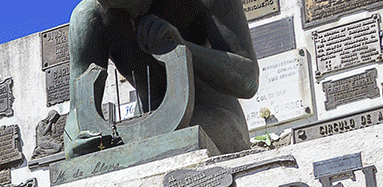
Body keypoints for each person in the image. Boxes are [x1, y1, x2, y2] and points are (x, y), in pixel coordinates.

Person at [65, 0, 258, 157]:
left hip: (216, 117)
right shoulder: (90, 16)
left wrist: (182, 48)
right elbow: (78, 111)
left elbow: (248, 81)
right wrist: (76, 143)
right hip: (144, 131)